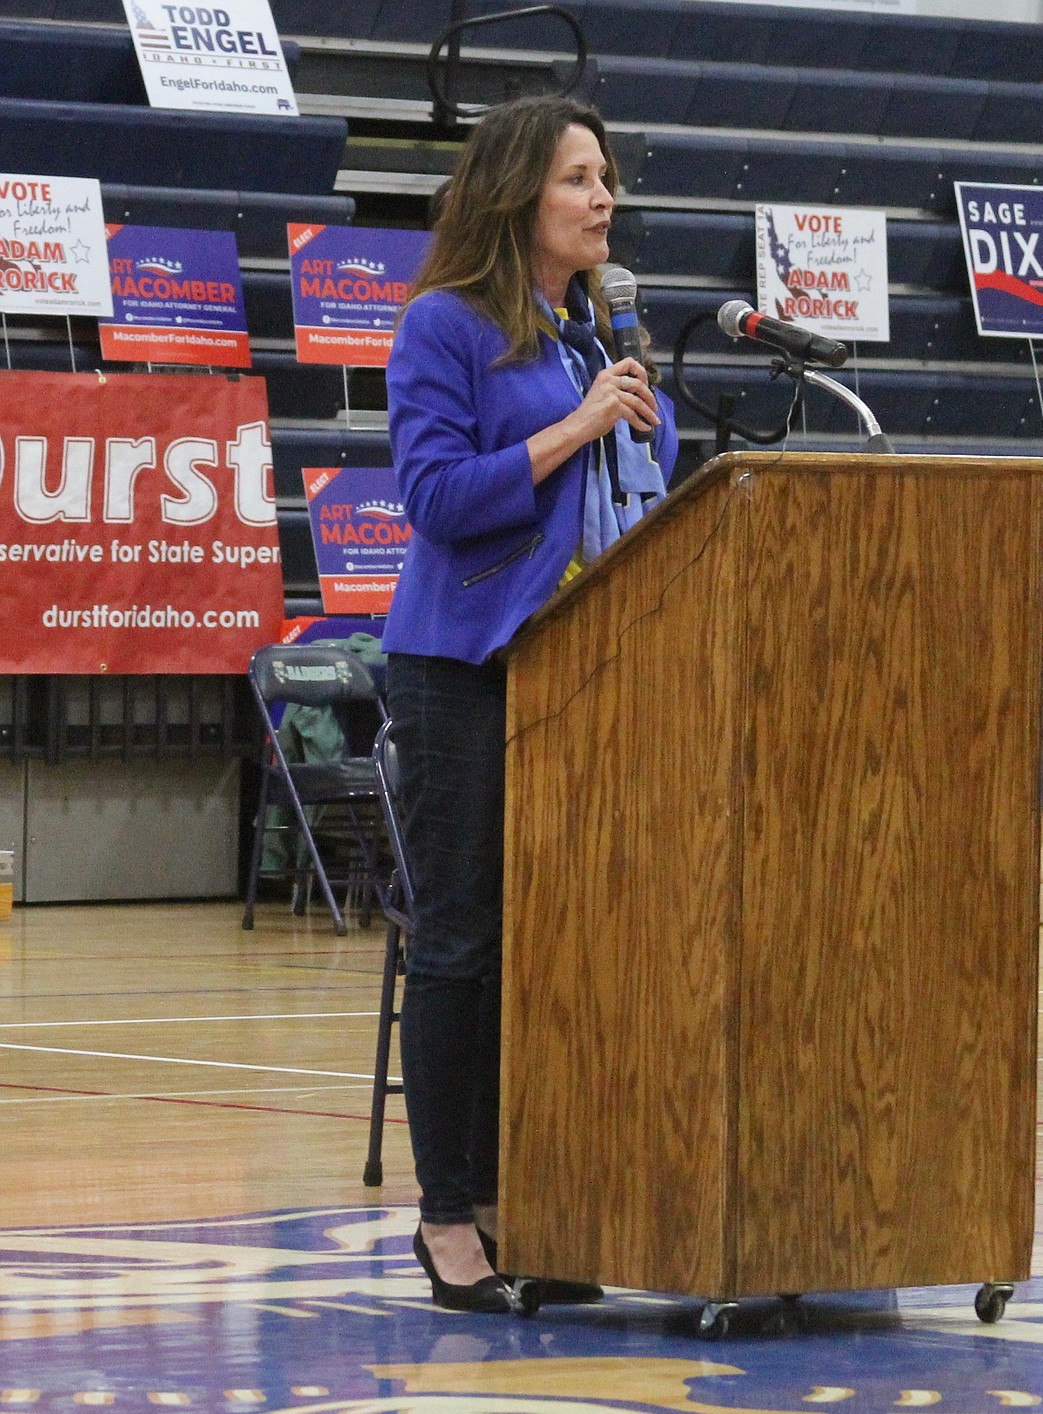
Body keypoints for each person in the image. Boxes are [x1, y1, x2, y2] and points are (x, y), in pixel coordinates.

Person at [381, 94, 678, 1314]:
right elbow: (439, 499)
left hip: (582, 672)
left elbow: (615, 502)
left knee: (552, 946)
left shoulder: (582, 333)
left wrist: (633, 441)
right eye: (579, 178)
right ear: (519, 194)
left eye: (607, 176)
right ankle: (450, 1214)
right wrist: (576, 427)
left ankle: (528, 1193)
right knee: (461, 942)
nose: (604, 197)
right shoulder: (442, 327)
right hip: (463, 669)